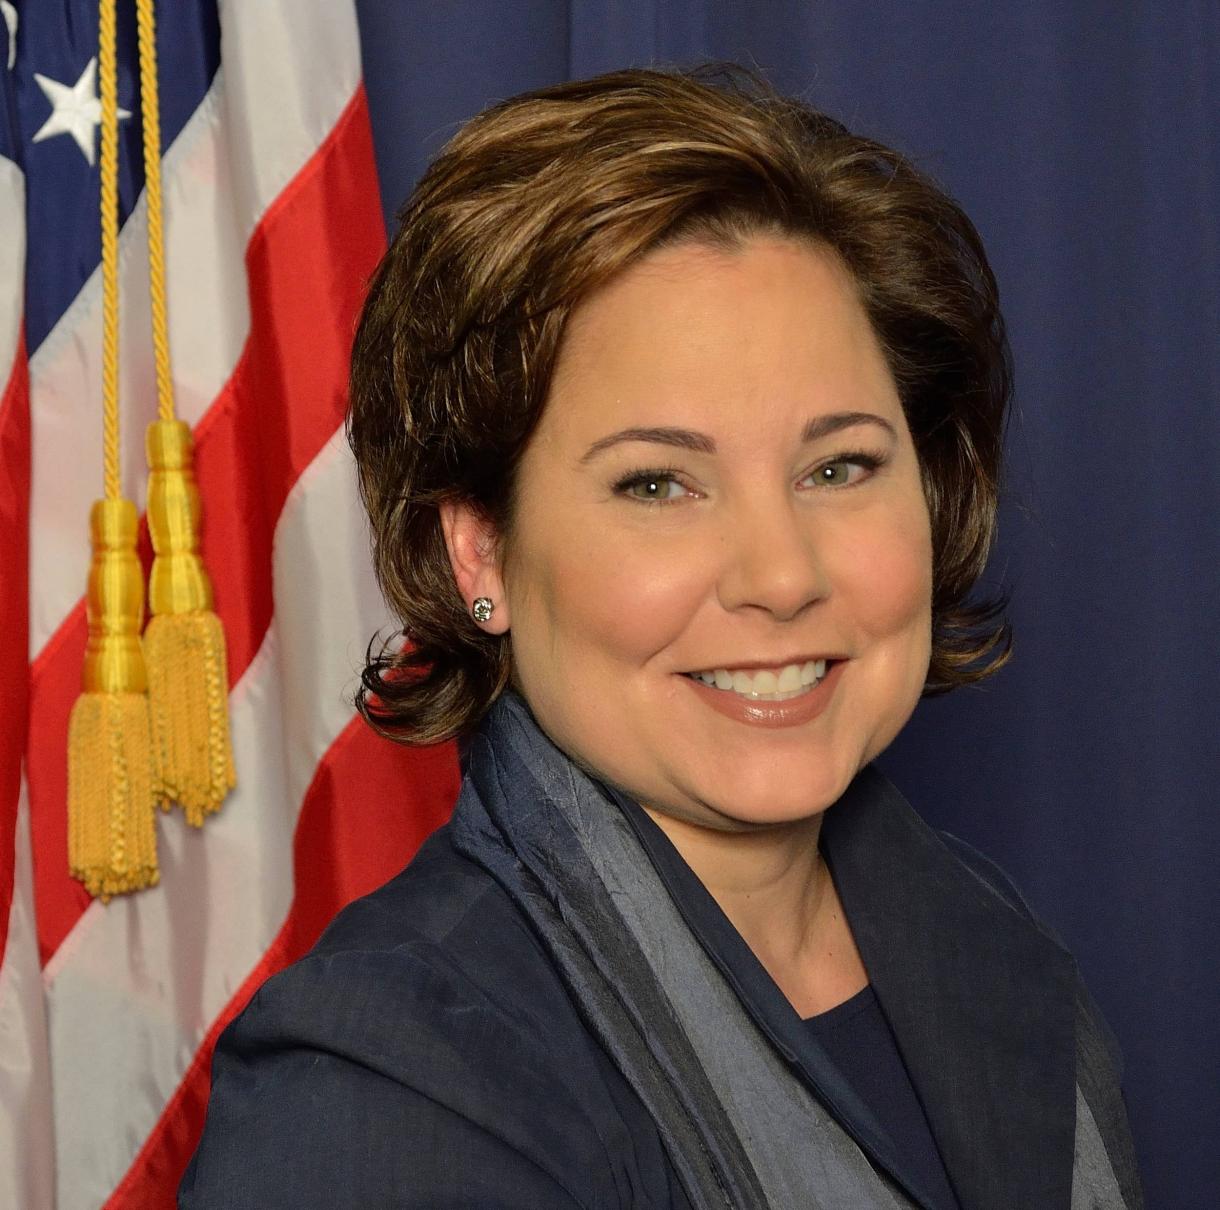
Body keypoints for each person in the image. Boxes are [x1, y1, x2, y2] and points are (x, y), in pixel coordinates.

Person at [179, 66, 1143, 1209]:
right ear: (478, 552)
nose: (781, 574)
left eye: (837, 466)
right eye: (656, 484)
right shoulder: (380, 1092)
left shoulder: (983, 937)